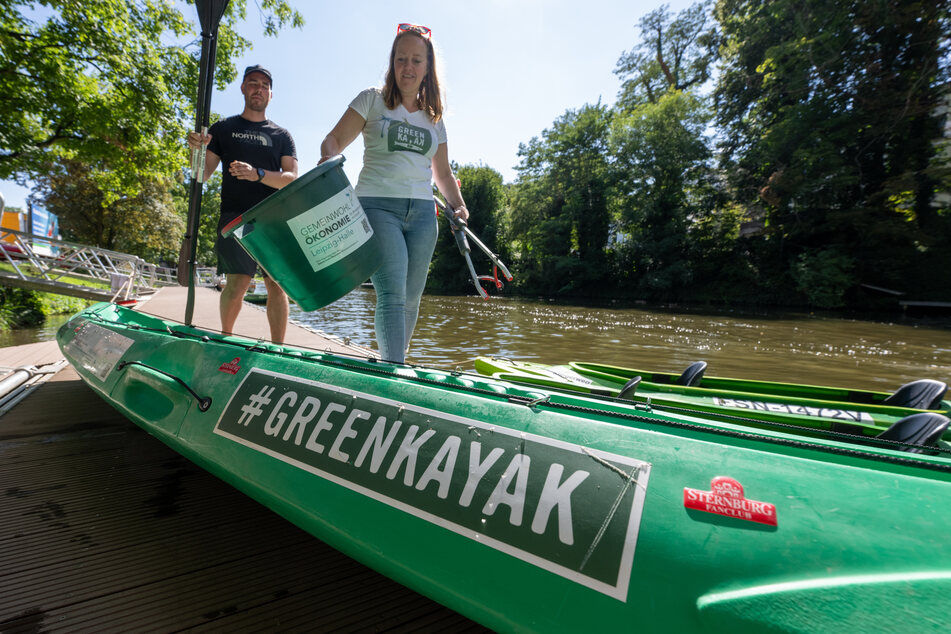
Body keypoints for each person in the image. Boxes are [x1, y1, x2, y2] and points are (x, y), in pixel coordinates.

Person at [319, 23, 468, 363]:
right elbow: (335, 139)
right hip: (376, 207)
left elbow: (442, 174)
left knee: (412, 298)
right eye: (401, 59)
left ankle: (394, 358)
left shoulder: (435, 118)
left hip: (421, 215)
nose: (408, 67)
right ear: (392, 63)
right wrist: (329, 154)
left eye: (416, 60)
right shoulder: (372, 100)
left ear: (427, 67)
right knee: (392, 295)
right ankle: (394, 369)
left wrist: (459, 205)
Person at [187, 65, 298, 344]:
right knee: (238, 283)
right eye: (252, 83)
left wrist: (257, 174)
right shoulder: (223, 129)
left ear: (271, 94)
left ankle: (278, 349)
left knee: (276, 284)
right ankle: (226, 339)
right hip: (236, 216)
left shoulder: (281, 135)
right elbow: (201, 175)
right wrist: (195, 151)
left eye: (263, 85)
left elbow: (291, 178)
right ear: (243, 88)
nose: (258, 88)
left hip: (274, 218)